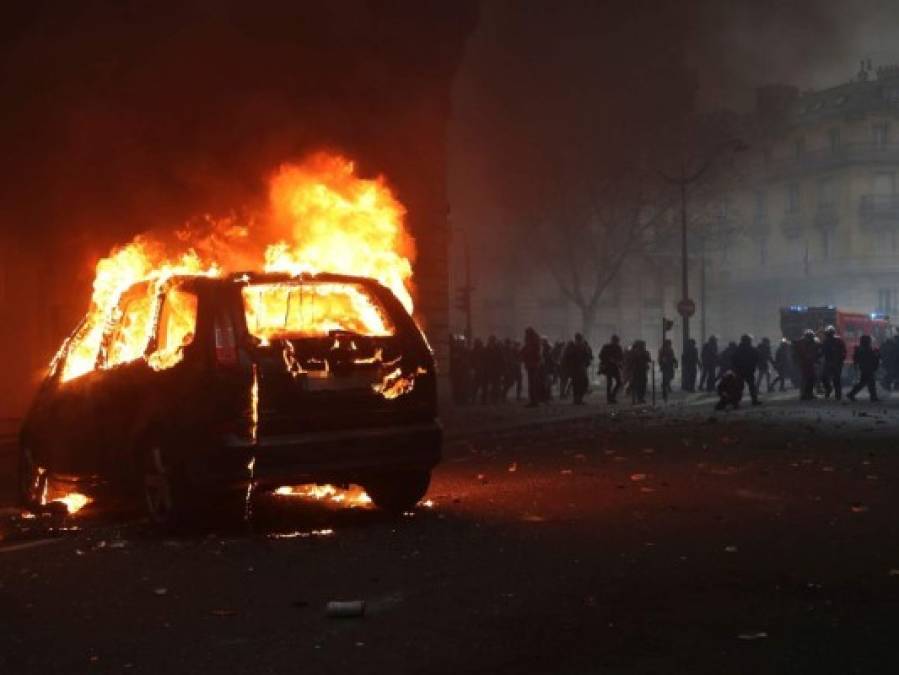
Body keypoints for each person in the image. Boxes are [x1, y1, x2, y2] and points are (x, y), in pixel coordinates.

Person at [848, 334, 881, 402]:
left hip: (865, 367)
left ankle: (851, 394)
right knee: (870, 382)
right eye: (869, 340)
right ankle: (873, 397)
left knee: (864, 382)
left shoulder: (862, 349)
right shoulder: (864, 349)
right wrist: (876, 353)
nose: (870, 342)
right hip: (866, 368)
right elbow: (871, 357)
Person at [564, 333, 593, 405]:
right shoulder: (572, 346)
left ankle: (578, 399)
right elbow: (567, 357)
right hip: (576, 368)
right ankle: (577, 399)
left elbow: (587, 356)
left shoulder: (582, 346)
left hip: (580, 367)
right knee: (577, 384)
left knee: (582, 383)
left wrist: (587, 361)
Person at [732, 334, 761, 405]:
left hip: (740, 370)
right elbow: (757, 358)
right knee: (750, 386)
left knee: (739, 387)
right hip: (748, 370)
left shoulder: (738, 349)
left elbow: (733, 359)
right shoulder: (751, 349)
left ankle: (736, 402)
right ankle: (754, 400)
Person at [820, 325, 847, 401]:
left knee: (836, 379)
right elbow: (822, 351)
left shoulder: (839, 341)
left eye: (829, 333)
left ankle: (838, 395)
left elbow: (844, 352)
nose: (828, 335)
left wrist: (840, 359)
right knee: (824, 378)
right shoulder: (826, 341)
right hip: (828, 362)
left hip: (836, 363)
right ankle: (829, 389)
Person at [793, 329, 820, 401]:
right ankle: (803, 394)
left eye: (811, 337)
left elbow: (816, 353)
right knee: (804, 379)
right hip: (804, 364)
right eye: (809, 336)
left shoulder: (813, 343)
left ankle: (809, 394)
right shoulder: (800, 344)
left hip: (810, 364)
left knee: (811, 378)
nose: (810, 338)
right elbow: (798, 354)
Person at [520, 328, 543, 407]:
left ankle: (534, 401)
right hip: (532, 364)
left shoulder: (532, 341)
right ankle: (533, 401)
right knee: (532, 383)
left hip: (532, 364)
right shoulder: (534, 340)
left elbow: (530, 351)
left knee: (533, 383)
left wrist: (523, 354)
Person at [598, 334, 624, 404]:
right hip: (608, 367)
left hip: (615, 367)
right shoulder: (606, 347)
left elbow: (621, 357)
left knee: (619, 382)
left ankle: (612, 396)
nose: (615, 342)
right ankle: (609, 398)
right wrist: (609, 359)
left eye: (616, 341)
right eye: (615, 341)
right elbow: (601, 356)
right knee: (610, 383)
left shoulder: (618, 348)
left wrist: (617, 361)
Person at [627, 340, 651, 404]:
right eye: (642, 345)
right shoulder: (633, 352)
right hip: (636, 371)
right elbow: (630, 361)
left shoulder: (645, 352)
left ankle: (641, 398)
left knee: (643, 384)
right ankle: (639, 398)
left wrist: (645, 355)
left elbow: (649, 359)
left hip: (643, 370)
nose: (643, 347)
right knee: (638, 385)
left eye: (643, 345)